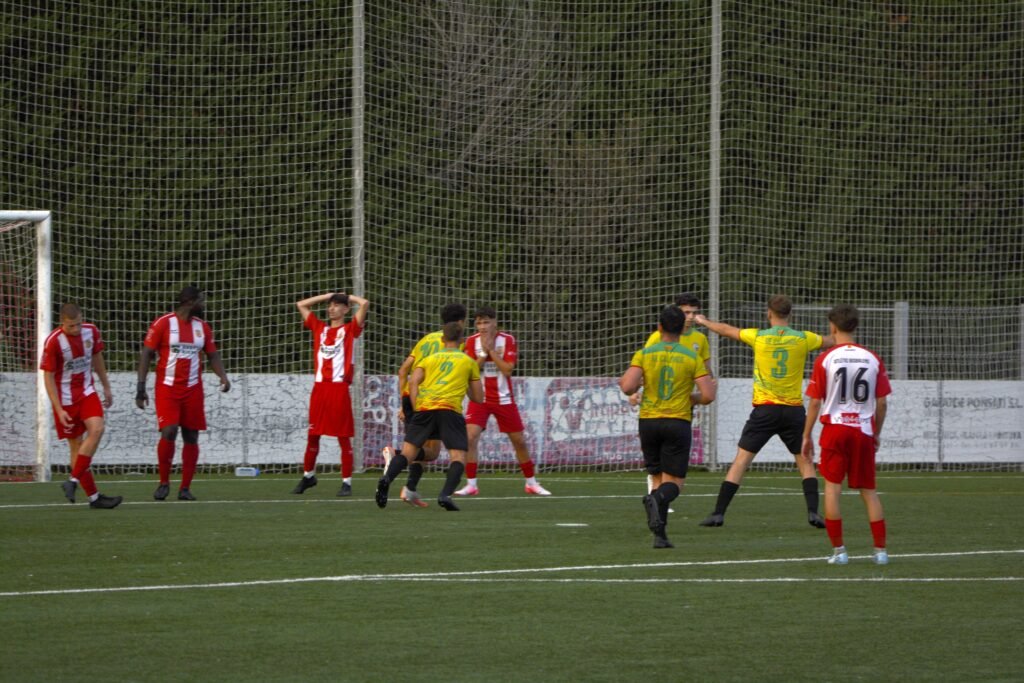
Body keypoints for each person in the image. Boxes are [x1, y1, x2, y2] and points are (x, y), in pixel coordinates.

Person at [694, 294, 833, 528]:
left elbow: (727, 330)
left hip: (765, 410)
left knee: (741, 460)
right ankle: (813, 513)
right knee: (805, 462)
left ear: (768, 313)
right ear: (791, 314)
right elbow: (831, 340)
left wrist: (704, 321)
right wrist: (842, 333)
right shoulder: (804, 338)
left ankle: (718, 513)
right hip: (793, 411)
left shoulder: (759, 337)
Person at [801, 304, 892, 565]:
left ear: (832, 326)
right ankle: (880, 552)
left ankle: (839, 552)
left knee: (832, 489)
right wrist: (876, 432)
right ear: (856, 326)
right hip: (862, 430)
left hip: (835, 430)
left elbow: (815, 402)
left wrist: (806, 435)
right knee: (869, 491)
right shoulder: (872, 358)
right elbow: (882, 403)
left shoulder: (825, 358)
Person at [620, 306, 716, 548]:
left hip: (649, 421)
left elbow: (627, 387)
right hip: (677, 421)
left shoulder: (645, 354)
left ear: (659, 327)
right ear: (682, 330)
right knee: (674, 483)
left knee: (656, 476)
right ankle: (657, 500)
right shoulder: (691, 357)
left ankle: (660, 536)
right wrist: (692, 398)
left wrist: (639, 384)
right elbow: (708, 395)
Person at [136, 286, 230, 501]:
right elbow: (147, 354)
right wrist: (141, 387)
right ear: (189, 302)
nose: (203, 305)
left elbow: (212, 355)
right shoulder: (163, 323)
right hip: (167, 388)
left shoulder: (202, 327)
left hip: (193, 389)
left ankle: (185, 488)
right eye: (200, 301)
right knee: (169, 431)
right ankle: (163, 483)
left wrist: (223, 377)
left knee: (191, 435)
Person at [376, 321, 483, 511]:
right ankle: (445, 495)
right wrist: (464, 383)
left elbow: (413, 381)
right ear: (461, 340)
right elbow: (478, 398)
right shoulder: (468, 362)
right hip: (449, 411)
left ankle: (387, 479)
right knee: (458, 456)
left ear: (442, 339)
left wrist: (416, 406)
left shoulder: (429, 359)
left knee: (409, 454)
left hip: (425, 410)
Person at [454, 305, 550, 497]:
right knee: (470, 437)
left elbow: (507, 370)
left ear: (494, 323)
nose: (482, 326)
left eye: (486, 322)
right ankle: (471, 484)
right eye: (479, 323)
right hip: (479, 399)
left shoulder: (507, 340)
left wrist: (491, 351)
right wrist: (484, 353)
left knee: (519, 441)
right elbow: (470, 370)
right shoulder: (471, 341)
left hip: (504, 398)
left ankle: (531, 483)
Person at [631, 294, 713, 505]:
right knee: (667, 470)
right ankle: (658, 501)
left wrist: (707, 385)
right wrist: (636, 392)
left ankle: (657, 506)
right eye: (686, 312)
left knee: (665, 463)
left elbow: (707, 372)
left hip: (681, 406)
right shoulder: (657, 338)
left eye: (694, 313)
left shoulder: (700, 340)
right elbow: (644, 369)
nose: (690, 317)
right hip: (661, 409)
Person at [41, 303, 122, 509]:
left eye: (78, 324)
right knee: (76, 446)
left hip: (87, 392)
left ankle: (73, 480)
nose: (76, 329)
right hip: (66, 399)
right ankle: (94, 498)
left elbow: (97, 358)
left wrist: (106, 386)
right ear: (62, 323)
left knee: (97, 429)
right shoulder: (53, 341)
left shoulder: (91, 332)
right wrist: (58, 409)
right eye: (71, 326)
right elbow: (48, 377)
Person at [388, 302, 467, 508]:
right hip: (431, 401)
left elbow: (403, 370)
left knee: (419, 447)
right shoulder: (456, 344)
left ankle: (410, 490)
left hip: (411, 397)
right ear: (461, 322)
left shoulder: (426, 340)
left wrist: (404, 403)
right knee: (432, 452)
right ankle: (396, 456)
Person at [291, 291, 370, 497]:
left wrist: (348, 297)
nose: (331, 308)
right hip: (319, 389)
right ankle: (308, 476)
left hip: (338, 389)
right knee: (313, 435)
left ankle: (346, 483)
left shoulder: (350, 329)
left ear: (345, 309)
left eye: (336, 305)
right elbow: (301, 305)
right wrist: (326, 296)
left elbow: (364, 303)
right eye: (330, 305)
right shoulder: (320, 328)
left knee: (343, 437)